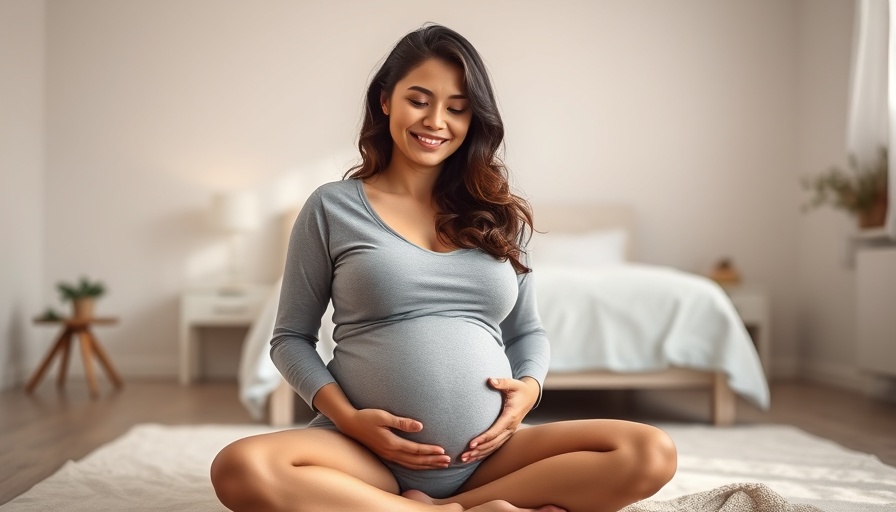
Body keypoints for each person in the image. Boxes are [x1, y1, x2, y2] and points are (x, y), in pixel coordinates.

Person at [210, 24, 677, 512]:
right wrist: (349, 420)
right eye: (419, 100)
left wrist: (529, 391)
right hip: (366, 454)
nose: (436, 121)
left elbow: (528, 332)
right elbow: (290, 338)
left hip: (491, 454)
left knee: (649, 452)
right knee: (241, 468)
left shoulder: (499, 214)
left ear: (474, 119)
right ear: (385, 100)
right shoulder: (332, 207)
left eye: (456, 108)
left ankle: (444, 508)